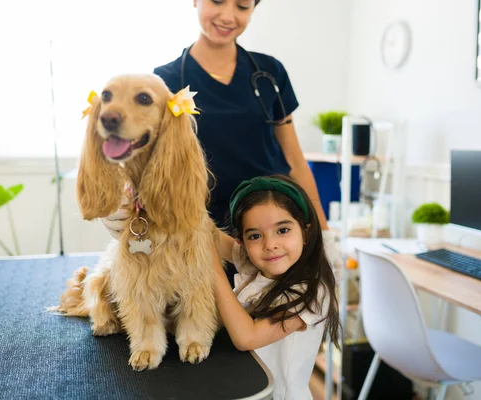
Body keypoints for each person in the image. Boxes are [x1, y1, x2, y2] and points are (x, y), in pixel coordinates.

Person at [102, 0, 341, 282]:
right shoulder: (164, 83)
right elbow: (152, 164)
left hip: (273, 234)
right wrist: (125, 206)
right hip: (203, 234)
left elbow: (295, 161)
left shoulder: (269, 73)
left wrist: (323, 232)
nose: (228, 16)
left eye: (242, 6)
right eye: (217, 1)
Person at [212, 175, 340, 400]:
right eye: (255, 236)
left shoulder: (311, 293)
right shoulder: (256, 266)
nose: (270, 245)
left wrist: (212, 270)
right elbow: (208, 236)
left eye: (282, 230)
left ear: (305, 233)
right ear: (242, 243)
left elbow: (247, 338)